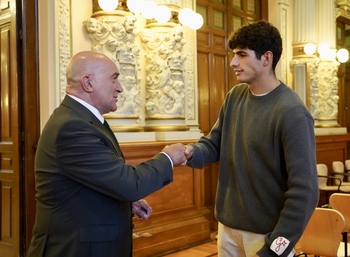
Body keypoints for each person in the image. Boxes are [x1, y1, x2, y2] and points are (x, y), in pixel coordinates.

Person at [27, 51, 187, 257]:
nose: (120, 88)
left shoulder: (82, 120)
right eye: (114, 79)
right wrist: (168, 157)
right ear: (88, 83)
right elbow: (130, 183)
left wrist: (123, 204)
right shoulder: (72, 126)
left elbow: (94, 181)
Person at [184, 20, 319, 257]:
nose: (233, 63)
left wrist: (275, 248)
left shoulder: (292, 112)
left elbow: (305, 191)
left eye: (241, 55)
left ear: (266, 58)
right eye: (233, 54)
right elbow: (214, 144)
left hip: (266, 235)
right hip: (227, 229)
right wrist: (190, 152)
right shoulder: (235, 96)